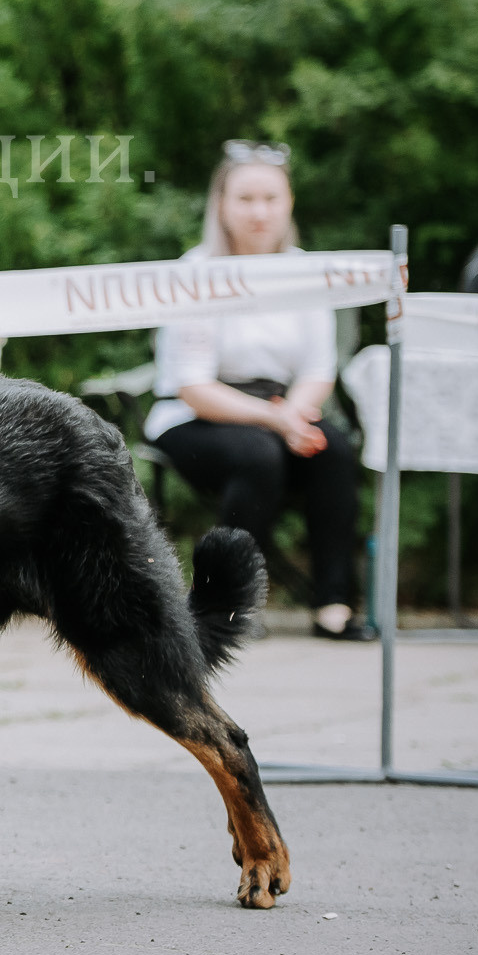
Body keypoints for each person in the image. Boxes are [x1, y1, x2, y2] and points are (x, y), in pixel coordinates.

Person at [144, 142, 367, 638]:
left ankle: (333, 605)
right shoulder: (195, 271)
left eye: (270, 198)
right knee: (259, 455)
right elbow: (194, 386)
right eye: (245, 199)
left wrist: (294, 415)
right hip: (193, 416)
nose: (259, 211)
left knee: (333, 451)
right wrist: (278, 421)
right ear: (221, 204)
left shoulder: (306, 271)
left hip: (282, 407)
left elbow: (317, 368)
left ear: (288, 202)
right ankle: (227, 603)